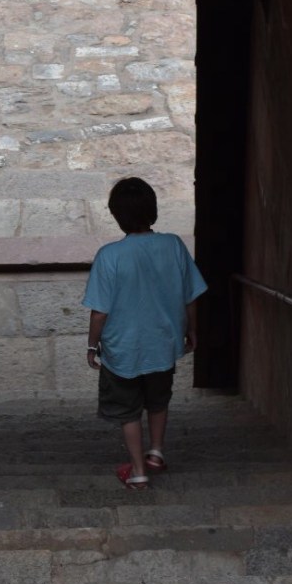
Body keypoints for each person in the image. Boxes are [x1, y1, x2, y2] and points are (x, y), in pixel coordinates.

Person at [82, 177, 206, 489]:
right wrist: (192, 329)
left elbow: (100, 311)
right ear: (153, 209)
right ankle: (157, 453)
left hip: (122, 350)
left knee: (128, 410)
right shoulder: (173, 246)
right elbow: (190, 296)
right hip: (163, 345)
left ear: (116, 214)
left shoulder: (109, 256)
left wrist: (92, 345)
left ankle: (138, 471)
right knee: (158, 400)